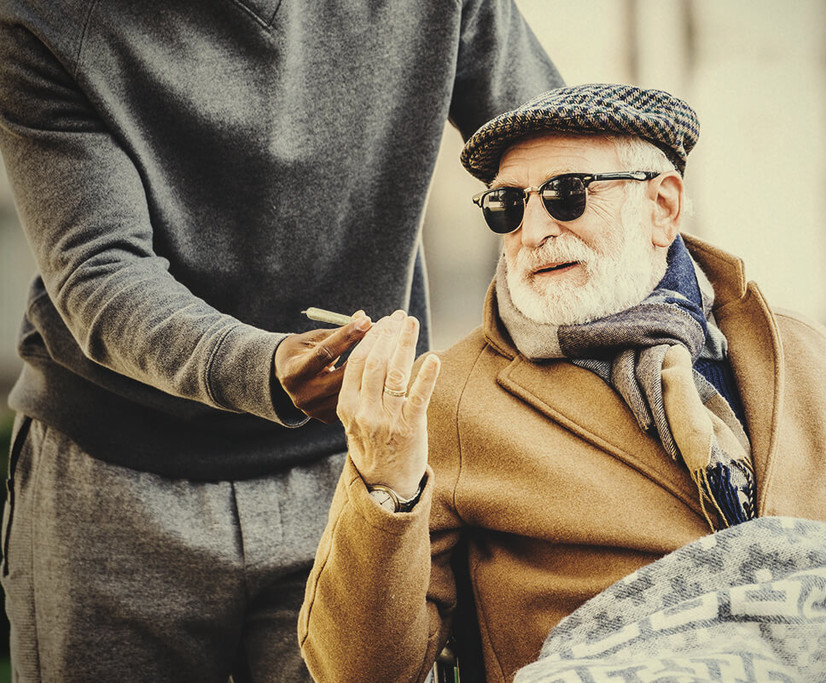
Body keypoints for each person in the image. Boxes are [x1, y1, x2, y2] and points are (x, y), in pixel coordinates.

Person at [297, 83, 826, 682]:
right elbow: (357, 672)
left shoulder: (801, 350)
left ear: (663, 206)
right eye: (507, 206)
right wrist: (384, 484)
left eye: (567, 194)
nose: (533, 230)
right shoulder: (452, 398)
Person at [0, 1, 562, 681]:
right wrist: (258, 366)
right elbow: (98, 268)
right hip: (113, 486)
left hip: (356, 472)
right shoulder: (42, 18)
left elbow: (559, 148)